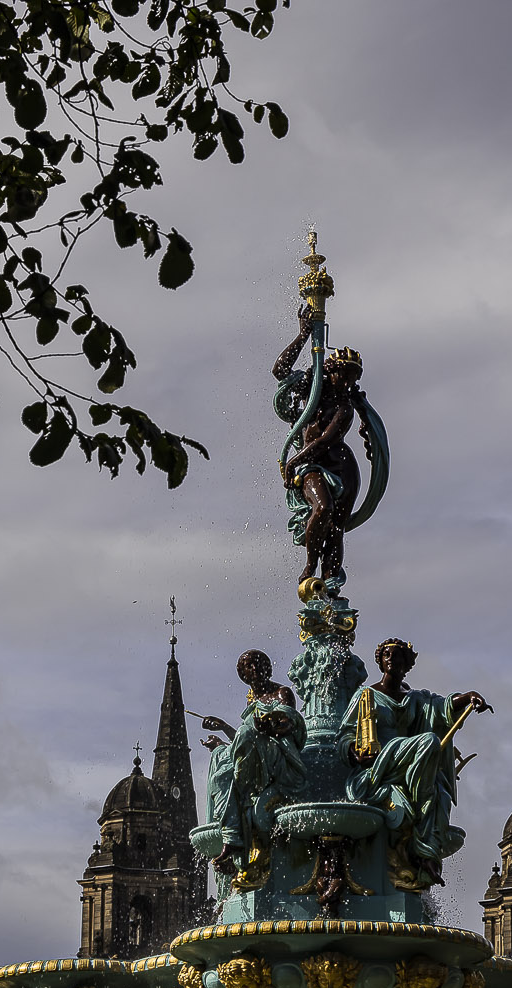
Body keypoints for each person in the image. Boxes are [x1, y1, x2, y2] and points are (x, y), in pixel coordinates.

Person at [341, 639, 489, 889]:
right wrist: (355, 755)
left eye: (398, 656)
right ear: (380, 661)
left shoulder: (416, 698)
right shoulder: (366, 696)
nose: (392, 659)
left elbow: (442, 708)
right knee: (430, 741)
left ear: (407, 664)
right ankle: (421, 807)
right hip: (380, 766)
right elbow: (344, 735)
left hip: (409, 769)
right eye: (387, 655)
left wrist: (468, 697)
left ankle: (425, 854)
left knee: (441, 793)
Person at [273, 308, 363, 594]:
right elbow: (280, 371)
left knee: (337, 530)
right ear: (331, 370)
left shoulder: (344, 408)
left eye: (352, 378)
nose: (347, 383)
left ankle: (330, 588)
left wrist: (292, 462)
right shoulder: (311, 390)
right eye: (343, 375)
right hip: (313, 467)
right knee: (322, 508)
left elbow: (324, 441)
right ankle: (310, 567)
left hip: (341, 468)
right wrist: (303, 335)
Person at [202, 649, 305, 883]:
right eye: (249, 666)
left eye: (259, 664)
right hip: (255, 755)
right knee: (221, 772)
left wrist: (269, 727)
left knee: (237, 753)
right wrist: (224, 731)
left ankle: (236, 836)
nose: (255, 669)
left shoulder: (282, 693)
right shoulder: (252, 703)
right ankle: (232, 837)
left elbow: (289, 725)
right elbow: (243, 742)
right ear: (243, 676)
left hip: (279, 757)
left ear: (268, 668)